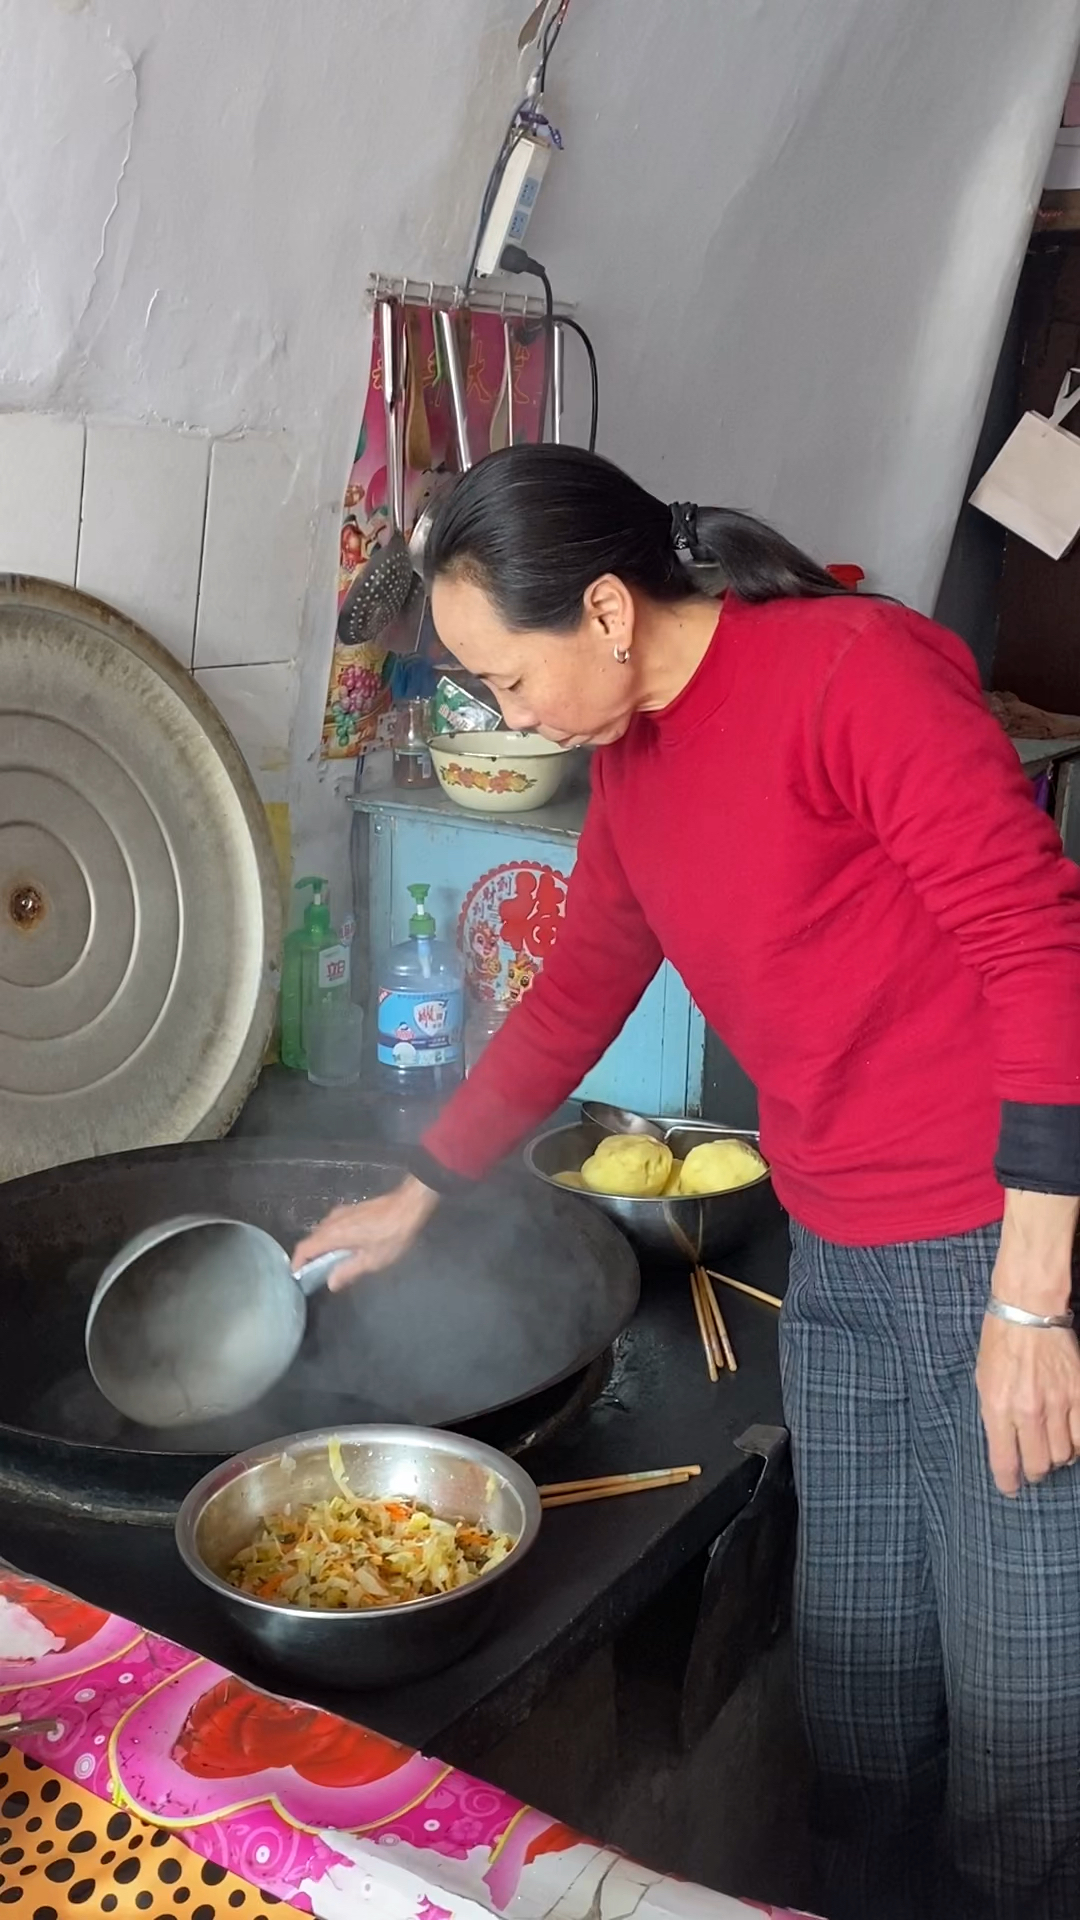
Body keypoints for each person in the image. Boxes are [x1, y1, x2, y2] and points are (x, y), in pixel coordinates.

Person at [293, 444, 1080, 1918]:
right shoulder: (635, 766)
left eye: (504, 678)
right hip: (839, 1251)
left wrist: (1034, 1306)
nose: (502, 714)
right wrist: (426, 1189)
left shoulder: (854, 674)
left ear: (602, 610)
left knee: (1022, 1711)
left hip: (994, 1245)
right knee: (859, 1683)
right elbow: (577, 985)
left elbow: (1043, 952)